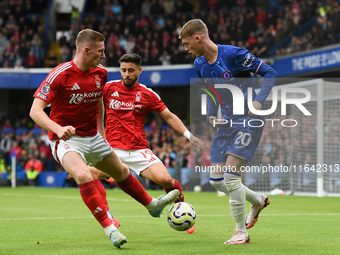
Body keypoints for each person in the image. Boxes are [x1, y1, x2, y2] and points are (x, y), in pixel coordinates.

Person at [29, 29, 180, 249]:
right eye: (100, 51)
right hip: (67, 140)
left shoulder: (100, 73)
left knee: (121, 172)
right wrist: (57, 128)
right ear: (86, 50)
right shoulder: (60, 75)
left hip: (94, 136)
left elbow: (98, 102)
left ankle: (152, 206)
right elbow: (35, 111)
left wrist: (102, 132)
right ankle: (110, 228)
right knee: (82, 174)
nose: (104, 55)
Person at [179, 19, 276, 244]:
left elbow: (270, 73)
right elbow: (212, 91)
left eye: (186, 44)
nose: (186, 49)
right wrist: (212, 113)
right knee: (215, 180)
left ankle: (241, 232)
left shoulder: (234, 55)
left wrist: (259, 102)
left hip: (249, 120)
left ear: (198, 38)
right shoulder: (199, 64)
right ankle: (258, 200)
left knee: (231, 177)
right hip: (227, 123)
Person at [89, 53, 205, 234]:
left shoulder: (147, 94)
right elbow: (96, 107)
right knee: (88, 174)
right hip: (112, 150)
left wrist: (188, 135)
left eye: (131, 71)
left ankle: (182, 210)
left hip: (138, 149)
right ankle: (108, 217)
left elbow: (168, 116)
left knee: (166, 180)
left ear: (139, 70)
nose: (126, 74)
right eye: (123, 70)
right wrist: (99, 134)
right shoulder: (109, 88)